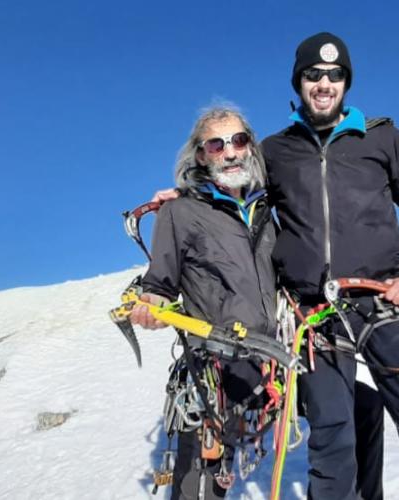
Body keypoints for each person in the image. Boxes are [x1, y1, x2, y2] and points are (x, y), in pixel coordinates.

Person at [154, 32, 399, 499]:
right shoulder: (276, 151)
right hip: (317, 316)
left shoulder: (383, 137)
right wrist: (187, 195)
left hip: (387, 301)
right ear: (299, 81)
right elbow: (232, 176)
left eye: (334, 74)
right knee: (332, 444)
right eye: (313, 74)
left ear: (346, 82)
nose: (323, 83)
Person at [129, 104, 278, 500]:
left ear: (250, 149)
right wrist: (151, 307)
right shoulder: (179, 213)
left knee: (357, 410)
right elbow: (160, 283)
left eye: (238, 141)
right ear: (200, 155)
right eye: (216, 145)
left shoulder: (268, 212)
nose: (229, 152)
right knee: (202, 486)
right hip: (213, 369)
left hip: (270, 364)